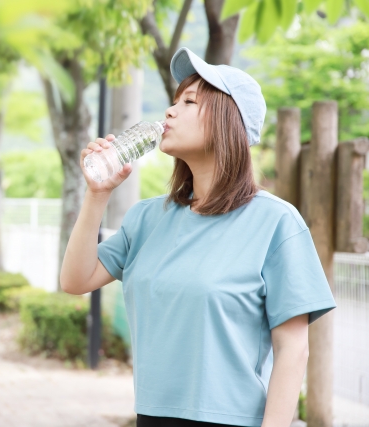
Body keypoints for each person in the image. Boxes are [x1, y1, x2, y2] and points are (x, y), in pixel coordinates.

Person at [60, 47, 337, 427]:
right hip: (151, 416)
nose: (170, 111)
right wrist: (97, 196)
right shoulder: (147, 218)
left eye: (189, 101)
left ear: (229, 122)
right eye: (173, 101)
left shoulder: (276, 222)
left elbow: (292, 349)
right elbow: (75, 280)